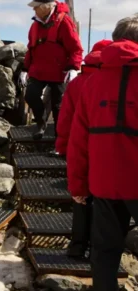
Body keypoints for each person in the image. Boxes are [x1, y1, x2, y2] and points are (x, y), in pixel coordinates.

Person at [67, 15, 138, 291]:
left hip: (104, 184)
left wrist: (78, 186)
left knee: (105, 254)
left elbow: (78, 140)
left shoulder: (91, 82)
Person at [55, 39, 112, 258]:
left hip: (78, 148)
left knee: (80, 198)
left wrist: (62, 145)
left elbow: (65, 117)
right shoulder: (115, 81)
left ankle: (77, 245)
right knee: (104, 202)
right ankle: (100, 250)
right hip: (107, 150)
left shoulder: (77, 83)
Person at [19, 0, 83, 140]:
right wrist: (25, 69)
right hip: (38, 70)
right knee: (31, 95)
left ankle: (59, 139)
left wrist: (74, 68)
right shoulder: (35, 25)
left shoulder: (64, 22)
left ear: (47, 6)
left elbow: (76, 48)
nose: (34, 10)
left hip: (59, 71)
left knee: (58, 107)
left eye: (36, 7)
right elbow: (31, 48)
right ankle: (40, 123)